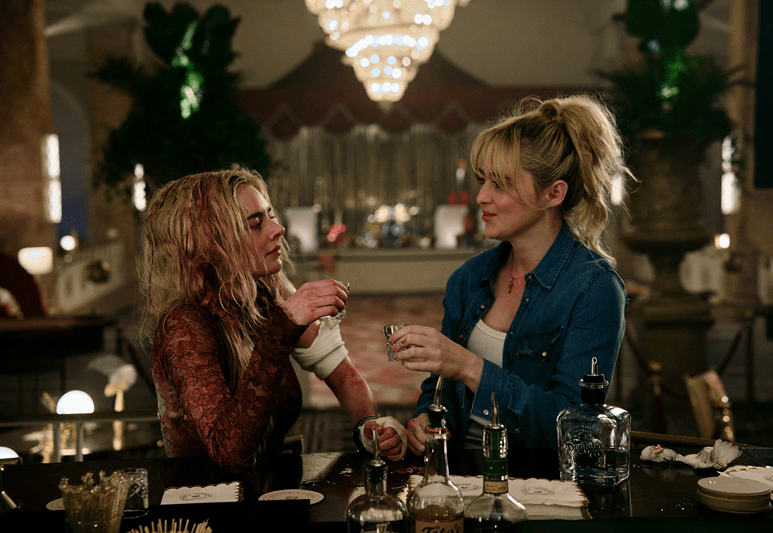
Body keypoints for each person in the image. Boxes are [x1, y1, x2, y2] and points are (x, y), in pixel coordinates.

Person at [389, 94, 633, 455]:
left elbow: (576, 430)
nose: (482, 196)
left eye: (500, 184)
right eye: (482, 180)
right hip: (459, 483)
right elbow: (439, 392)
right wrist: (428, 424)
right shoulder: (468, 278)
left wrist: (470, 366)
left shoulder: (593, 288)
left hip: (537, 493)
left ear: (553, 193)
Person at [142, 168, 405, 472]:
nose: (278, 228)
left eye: (270, 215)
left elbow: (343, 375)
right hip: (208, 509)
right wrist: (285, 325)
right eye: (256, 223)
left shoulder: (260, 296)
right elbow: (231, 454)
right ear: (212, 242)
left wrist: (369, 427)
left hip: (267, 495)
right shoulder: (184, 325)